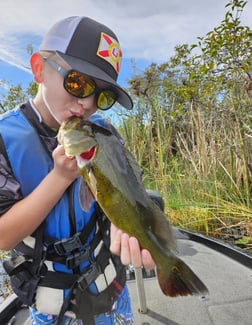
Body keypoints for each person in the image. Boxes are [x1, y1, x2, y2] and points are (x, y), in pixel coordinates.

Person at [0, 16, 155, 324]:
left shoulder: (104, 132)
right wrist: (60, 177)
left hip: (109, 284)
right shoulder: (5, 138)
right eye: (78, 82)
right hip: (50, 299)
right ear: (39, 69)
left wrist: (123, 222)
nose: (86, 102)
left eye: (102, 95)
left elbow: (124, 189)